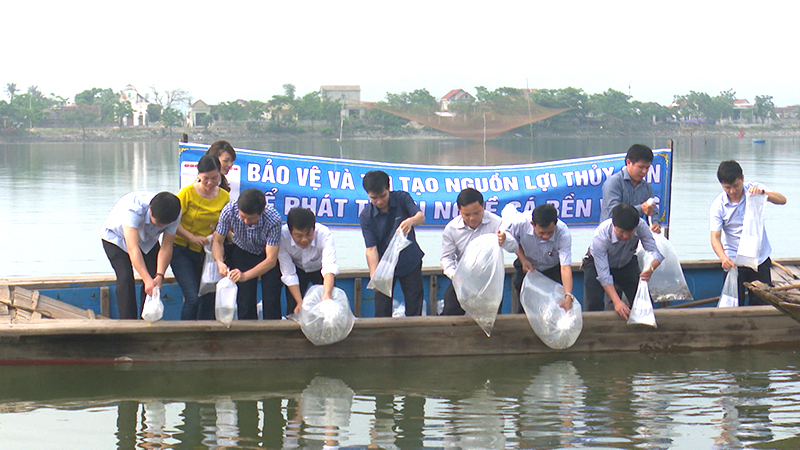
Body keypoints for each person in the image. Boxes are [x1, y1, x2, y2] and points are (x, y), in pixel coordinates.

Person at [710, 160, 786, 305]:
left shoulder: (754, 189)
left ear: (742, 179)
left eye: (736, 186)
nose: (732, 191)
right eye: (727, 188)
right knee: (733, 304)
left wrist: (763, 194)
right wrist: (723, 257)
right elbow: (715, 237)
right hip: (734, 261)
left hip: (759, 258)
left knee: (762, 302)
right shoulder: (718, 206)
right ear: (721, 185)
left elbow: (782, 200)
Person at [100, 191, 181, 319]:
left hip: (147, 240)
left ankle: (147, 318)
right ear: (150, 209)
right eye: (157, 223)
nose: (160, 227)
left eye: (163, 226)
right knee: (125, 276)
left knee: (154, 277)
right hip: (115, 238)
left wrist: (159, 275)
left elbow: (166, 246)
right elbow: (133, 248)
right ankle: (128, 321)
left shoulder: (175, 212)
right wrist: (146, 279)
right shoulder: (133, 210)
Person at [171, 154, 230, 320]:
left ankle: (206, 335)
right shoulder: (187, 193)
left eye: (214, 178)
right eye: (205, 179)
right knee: (192, 298)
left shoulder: (224, 196)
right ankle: (186, 335)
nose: (210, 183)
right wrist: (191, 237)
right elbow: (172, 222)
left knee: (208, 297)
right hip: (182, 249)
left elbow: (224, 225)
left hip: (207, 252)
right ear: (199, 176)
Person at [359, 170, 425, 317]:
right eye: (374, 198)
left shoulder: (402, 198)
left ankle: (414, 335)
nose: (380, 201)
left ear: (388, 188)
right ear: (368, 195)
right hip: (385, 265)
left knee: (414, 304)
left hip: (409, 261)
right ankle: (383, 337)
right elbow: (371, 249)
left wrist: (410, 221)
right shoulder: (366, 216)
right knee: (382, 308)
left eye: (383, 196)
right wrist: (374, 276)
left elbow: (420, 217)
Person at [440, 188, 515, 315]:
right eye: (466, 215)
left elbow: (513, 247)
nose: (472, 218)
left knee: (493, 317)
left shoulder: (496, 223)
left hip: (490, 280)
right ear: (459, 211)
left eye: (476, 213)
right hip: (463, 279)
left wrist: (505, 239)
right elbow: (446, 258)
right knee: (449, 314)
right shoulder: (451, 229)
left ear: (483, 207)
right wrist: (456, 276)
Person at [582, 204, 664, 320]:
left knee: (643, 302)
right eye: (621, 232)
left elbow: (655, 253)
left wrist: (651, 268)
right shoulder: (601, 235)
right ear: (614, 225)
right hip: (597, 265)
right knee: (593, 304)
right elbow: (604, 274)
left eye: (630, 232)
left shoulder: (641, 226)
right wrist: (617, 302)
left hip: (626, 262)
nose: (625, 236)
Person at [212, 188, 282, 320]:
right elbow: (218, 241)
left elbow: (271, 260)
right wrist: (219, 261)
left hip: (265, 256)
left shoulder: (273, 219)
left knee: (271, 300)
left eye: (250, 219)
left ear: (261, 212)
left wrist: (245, 275)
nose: (245, 221)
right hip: (242, 251)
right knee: (245, 299)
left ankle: (272, 334)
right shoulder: (229, 211)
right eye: (242, 217)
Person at [501, 203, 574, 311]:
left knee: (554, 306)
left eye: (550, 233)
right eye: (541, 233)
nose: (545, 236)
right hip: (526, 266)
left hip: (552, 268)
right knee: (525, 305)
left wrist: (568, 296)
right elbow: (513, 241)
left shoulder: (563, 233)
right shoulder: (520, 223)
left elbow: (565, 267)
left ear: (556, 224)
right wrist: (523, 259)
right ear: (532, 224)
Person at [278, 207, 340, 314]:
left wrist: (327, 295)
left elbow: (329, 267)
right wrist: (299, 302)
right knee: (294, 308)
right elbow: (289, 273)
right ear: (290, 231)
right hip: (297, 269)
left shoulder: (324, 234)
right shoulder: (282, 237)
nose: (304, 240)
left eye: (308, 234)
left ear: (314, 228)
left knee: (329, 304)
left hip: (320, 270)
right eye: (298, 235)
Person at [600, 143, 661, 233]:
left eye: (647, 168)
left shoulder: (647, 188)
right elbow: (614, 214)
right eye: (640, 167)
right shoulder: (614, 183)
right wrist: (641, 208)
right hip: (610, 235)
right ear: (629, 163)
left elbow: (653, 212)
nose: (644, 171)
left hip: (633, 237)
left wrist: (655, 224)